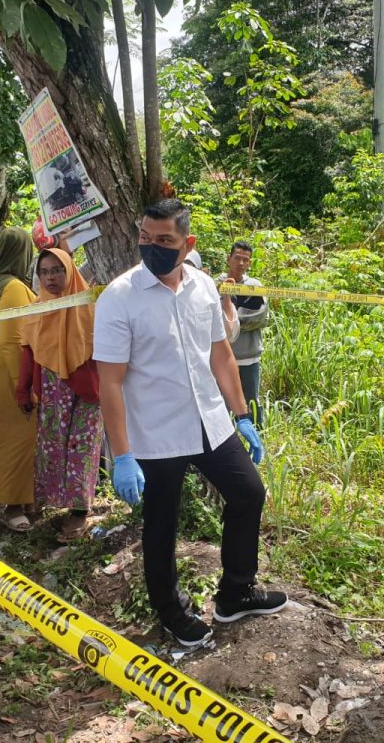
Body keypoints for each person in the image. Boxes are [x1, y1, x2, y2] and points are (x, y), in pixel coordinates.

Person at [94, 198, 287, 648]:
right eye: (146, 237)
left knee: (248, 492)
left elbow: (220, 356)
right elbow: (110, 384)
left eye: (165, 240)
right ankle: (172, 613)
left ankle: (235, 592)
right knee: (162, 524)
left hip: (209, 422)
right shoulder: (120, 299)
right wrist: (122, 454)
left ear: (188, 243)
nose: (153, 247)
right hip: (155, 431)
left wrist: (242, 415)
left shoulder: (202, 287)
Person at [17, 247, 101, 542]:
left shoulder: (90, 304)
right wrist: (22, 390)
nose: (50, 277)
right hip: (52, 389)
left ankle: (80, 511)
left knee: (83, 446)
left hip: (88, 389)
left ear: (70, 270)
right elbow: (27, 351)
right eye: (44, 272)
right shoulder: (35, 310)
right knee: (52, 443)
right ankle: (52, 499)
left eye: (57, 270)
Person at [0, 227, 39, 532]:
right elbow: (14, 340)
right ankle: (13, 506)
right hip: (9, 370)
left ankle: (24, 498)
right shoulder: (12, 287)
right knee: (15, 438)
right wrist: (21, 386)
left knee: (10, 437)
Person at [218, 242, 270, 425]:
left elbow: (260, 318)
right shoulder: (216, 284)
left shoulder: (254, 286)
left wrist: (229, 321)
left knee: (251, 402)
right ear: (228, 259)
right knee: (220, 404)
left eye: (245, 260)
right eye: (237, 258)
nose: (240, 263)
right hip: (221, 359)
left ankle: (257, 437)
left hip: (249, 357)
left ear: (249, 263)